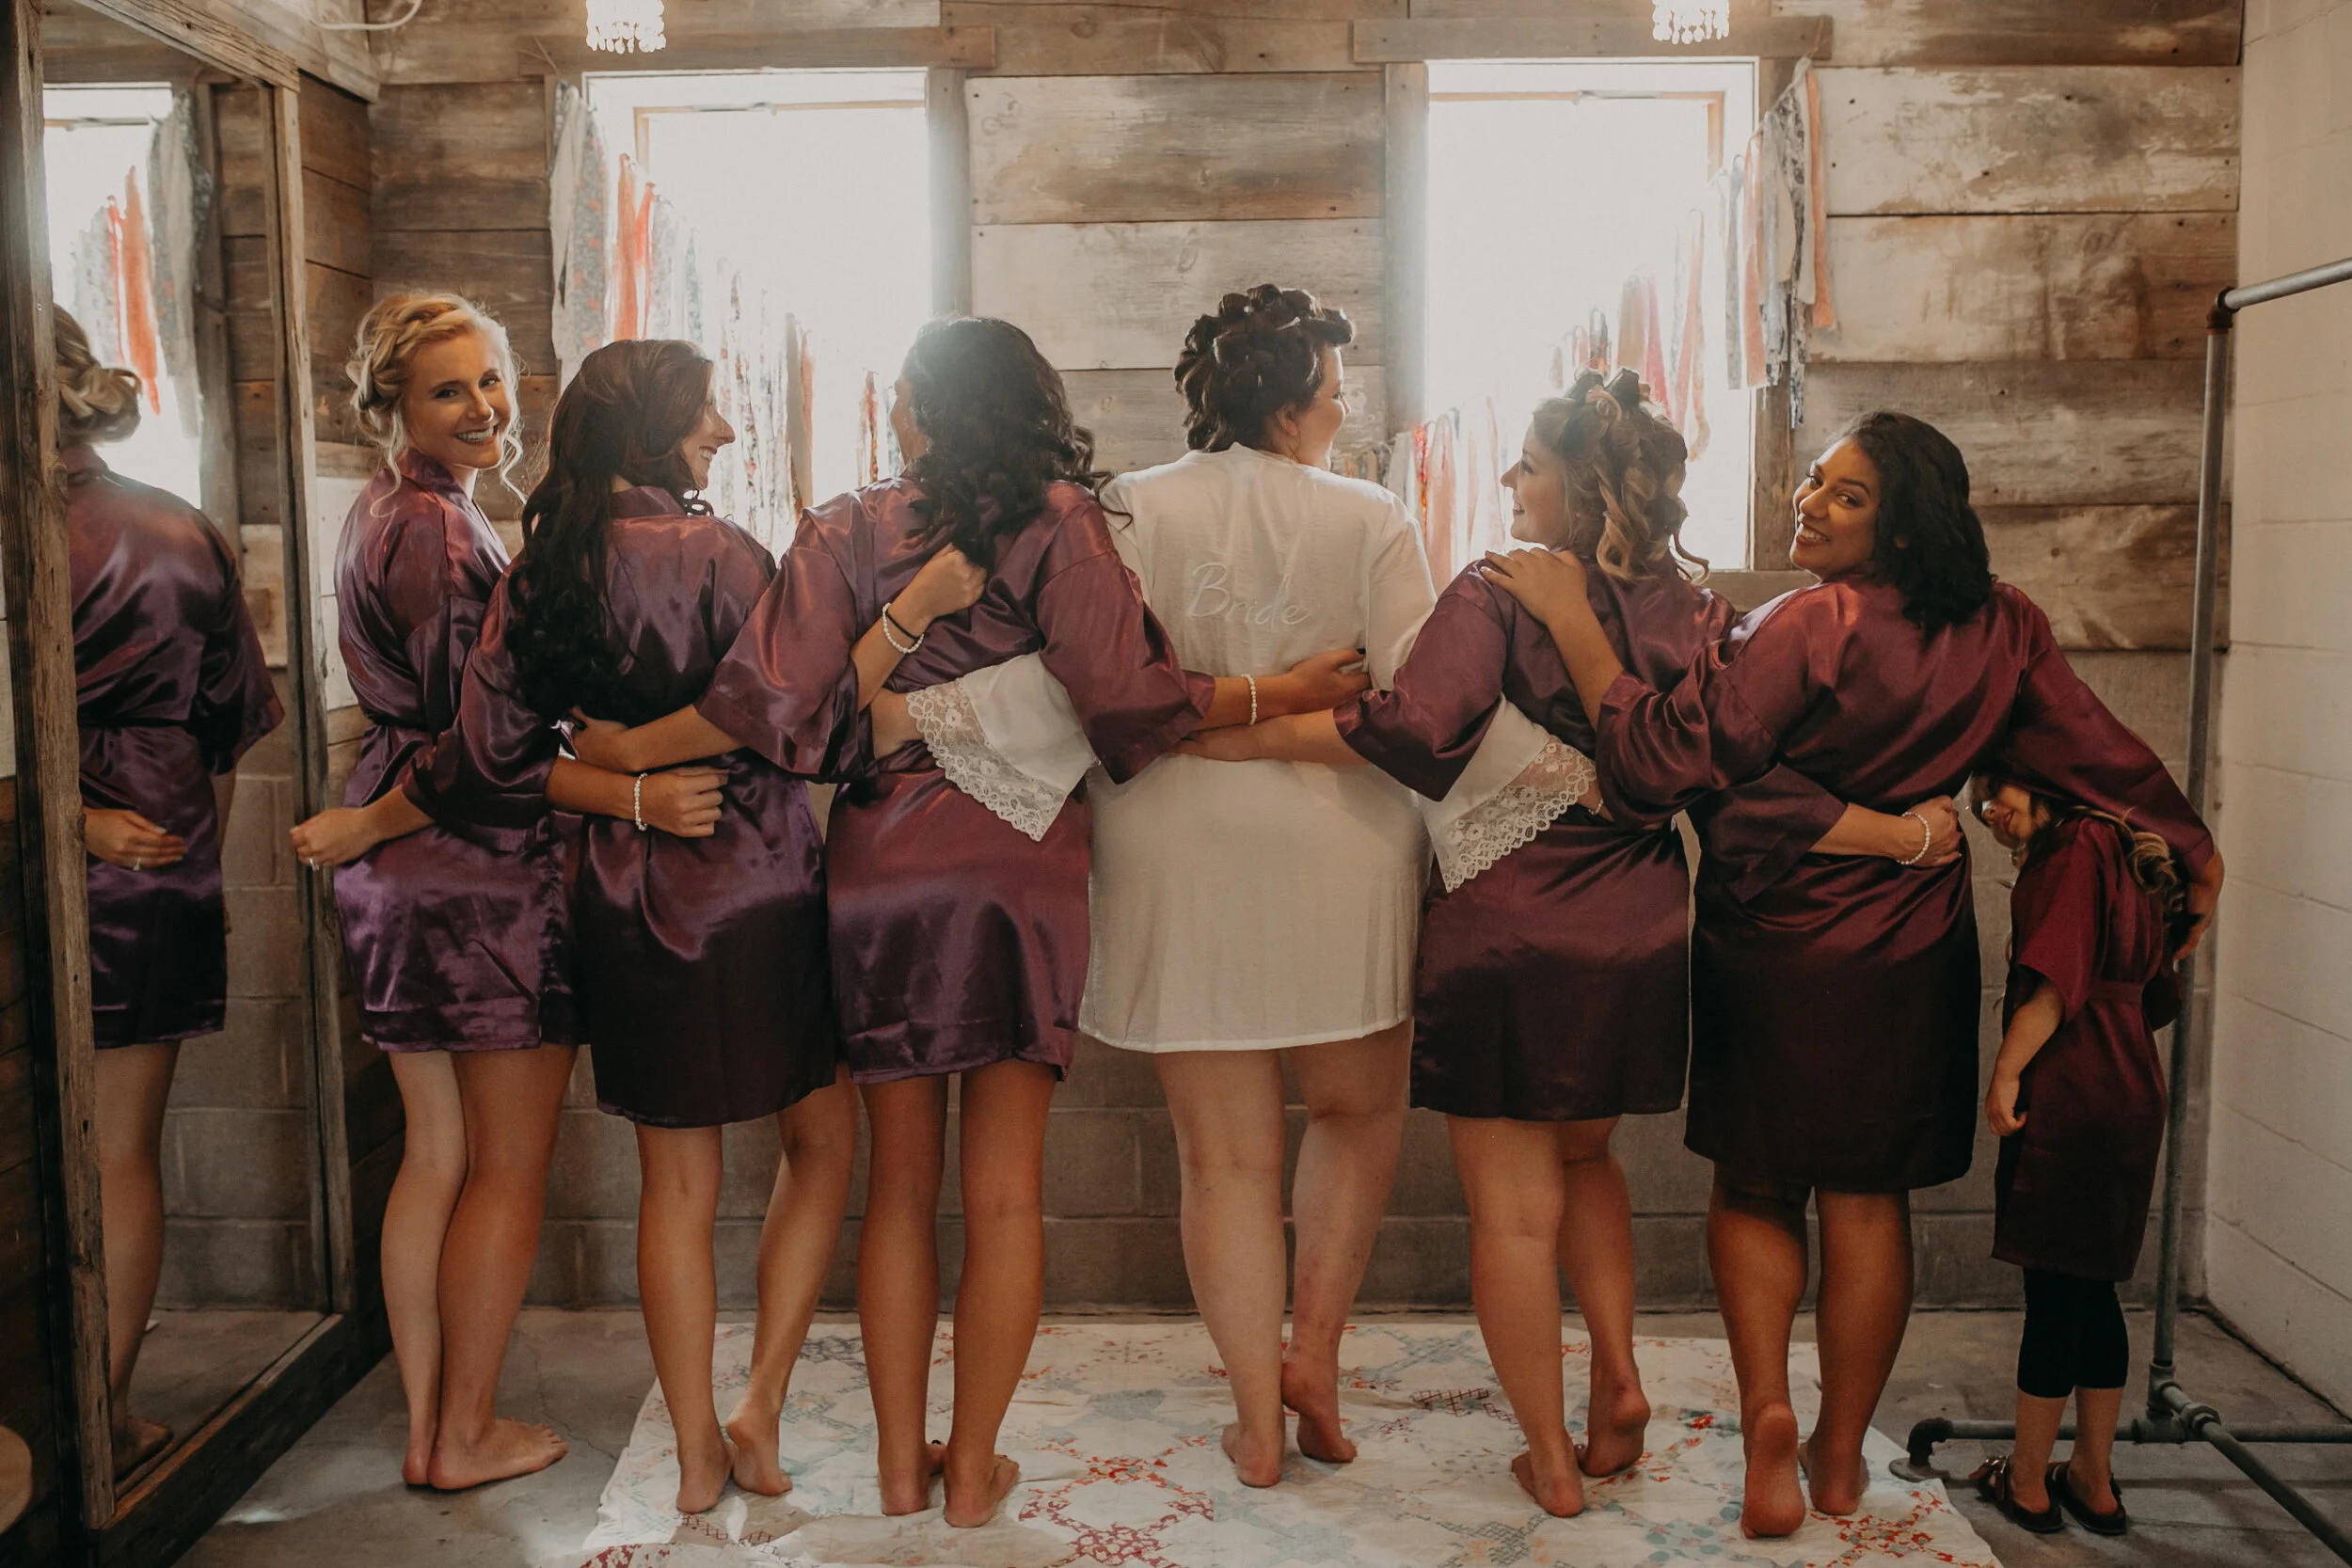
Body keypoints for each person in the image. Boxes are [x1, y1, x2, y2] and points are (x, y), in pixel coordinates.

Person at [569, 315, 1361, 1525]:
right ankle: (973, 1474)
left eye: (900, 395)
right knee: (1004, 1195)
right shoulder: (1059, 518)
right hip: (1020, 868)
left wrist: (630, 755)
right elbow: (1128, 699)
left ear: (922, 408)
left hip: (881, 862)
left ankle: (894, 1465)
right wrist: (1274, 689)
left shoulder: (842, 523)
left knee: (896, 1187)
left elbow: (778, 704)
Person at [1181, 371, 1950, 1515]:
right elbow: (1706, 773)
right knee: (1585, 1162)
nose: (1505, 482)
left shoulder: (1500, 588)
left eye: (1526, 464)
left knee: (1512, 1210)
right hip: (1639, 924)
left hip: (1508, 929)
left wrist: (1248, 738)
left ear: (1579, 487)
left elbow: (1416, 729)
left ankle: (1546, 1456)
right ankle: (1620, 1382)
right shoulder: (1699, 614)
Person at [1481, 409, 2221, 1536]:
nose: (1810, 503)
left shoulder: (1801, 624)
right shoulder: (2003, 628)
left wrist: (1576, 623)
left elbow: (1661, 759)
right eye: (1814, 482)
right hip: (1910, 950)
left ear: (1907, 520)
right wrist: (2194, 851)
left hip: (1770, 943)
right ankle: (1835, 1457)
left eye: (1846, 493)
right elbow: (2100, 751)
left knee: (1759, 1184)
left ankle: (1770, 1409)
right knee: (1869, 1199)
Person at [882, 286, 1435, 1487]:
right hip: (1341, 845)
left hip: (1174, 844)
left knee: (1220, 1160)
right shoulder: (1374, 512)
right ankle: (1315, 1359)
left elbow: (1089, 682)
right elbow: (1414, 712)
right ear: (1294, 410)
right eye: (1336, 399)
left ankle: (1251, 1418)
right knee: (1356, 1112)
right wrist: (1280, 720)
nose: (1342, 418)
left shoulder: (1120, 506)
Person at [412, 339, 880, 1513]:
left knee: (672, 1185)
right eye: (708, 412)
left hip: (619, 896)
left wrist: (611, 777)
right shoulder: (727, 553)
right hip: (759, 878)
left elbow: (481, 762)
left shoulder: (540, 568)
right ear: (658, 430)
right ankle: (759, 1402)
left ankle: (690, 1453)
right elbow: (803, 719)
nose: (722, 430)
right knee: (825, 1142)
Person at [288, 293, 577, 1488]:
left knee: (435, 1152)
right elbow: (477, 746)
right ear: (395, 406)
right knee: (500, 1164)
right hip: (460, 859)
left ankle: (427, 1425)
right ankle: (459, 1431)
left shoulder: (385, 510)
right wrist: (370, 818)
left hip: (398, 855)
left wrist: (366, 819)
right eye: (449, 390)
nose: (483, 407)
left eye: (493, 381)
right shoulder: (442, 531)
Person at [56, 308, 283, 1476]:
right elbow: (234, 723)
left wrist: (60, 812)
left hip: (73, 838)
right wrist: (201, 858)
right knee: (123, 1149)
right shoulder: (176, 526)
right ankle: (103, 1417)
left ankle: (68, 1435)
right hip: (160, 841)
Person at [1964, 774, 2186, 1539]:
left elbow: (2056, 983)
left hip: (2073, 1080)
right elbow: (2159, 992)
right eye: (1980, 794)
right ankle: (2093, 1479)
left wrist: (2006, 1068)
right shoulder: (2124, 848)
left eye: (1999, 786)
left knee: (2053, 1293)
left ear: (2053, 777)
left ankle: (2028, 1483)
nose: (1989, 805)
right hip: (2129, 1083)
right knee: (2093, 1292)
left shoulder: (2073, 850)